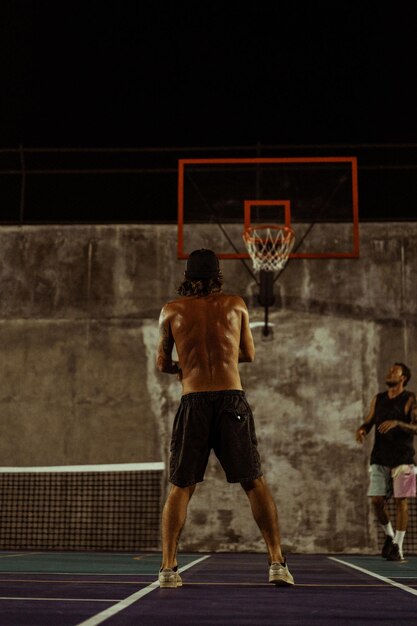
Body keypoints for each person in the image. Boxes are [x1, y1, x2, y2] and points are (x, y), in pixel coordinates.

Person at [156, 248, 294, 588]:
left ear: (187, 277)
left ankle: (168, 570)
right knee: (254, 481)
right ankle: (277, 562)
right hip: (231, 400)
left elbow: (162, 364)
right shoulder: (236, 305)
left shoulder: (171, 310)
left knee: (181, 486)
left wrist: (185, 366)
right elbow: (248, 353)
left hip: (194, 401)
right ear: (218, 276)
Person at [356, 363, 417, 561]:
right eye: (389, 369)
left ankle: (398, 547)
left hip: (403, 459)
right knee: (376, 501)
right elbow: (369, 420)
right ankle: (390, 536)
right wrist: (363, 429)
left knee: (401, 502)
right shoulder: (379, 399)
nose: (389, 372)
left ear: (403, 378)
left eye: (394, 370)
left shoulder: (410, 399)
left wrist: (398, 423)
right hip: (380, 458)